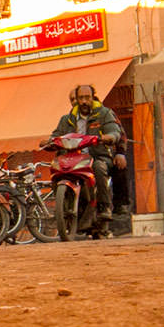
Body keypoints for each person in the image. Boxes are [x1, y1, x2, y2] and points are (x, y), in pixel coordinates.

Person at [49, 84, 122, 224]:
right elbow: (57, 135)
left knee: (99, 168)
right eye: (81, 98)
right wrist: (49, 141)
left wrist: (110, 136)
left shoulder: (104, 114)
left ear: (92, 97)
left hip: (97, 156)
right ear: (76, 99)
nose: (83, 101)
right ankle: (62, 208)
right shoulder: (67, 119)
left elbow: (114, 131)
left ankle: (104, 207)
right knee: (55, 170)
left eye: (87, 97)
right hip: (72, 159)